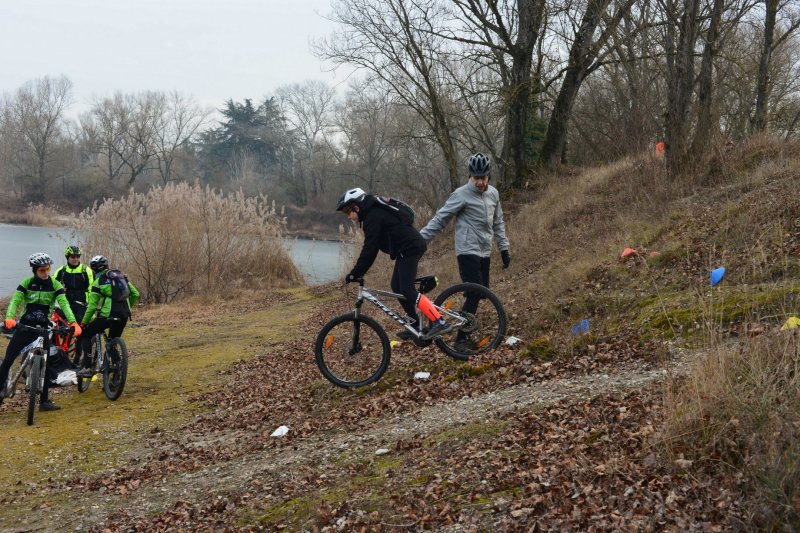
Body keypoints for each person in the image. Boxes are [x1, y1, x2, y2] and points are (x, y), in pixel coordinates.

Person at [419, 152, 510, 348]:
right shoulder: (461, 194)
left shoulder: (493, 193)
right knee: (474, 292)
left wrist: (504, 248)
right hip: (467, 250)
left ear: (488, 176)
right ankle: (461, 338)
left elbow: (498, 222)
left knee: (481, 293)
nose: (480, 182)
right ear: (470, 176)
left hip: (485, 250)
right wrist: (420, 239)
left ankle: (462, 327)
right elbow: (441, 218)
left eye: (483, 178)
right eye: (476, 178)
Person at [337, 187, 451, 340]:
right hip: (406, 249)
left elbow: (370, 249)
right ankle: (415, 325)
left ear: (356, 207)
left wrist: (355, 273)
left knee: (407, 289)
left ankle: (439, 321)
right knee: (397, 287)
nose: (348, 217)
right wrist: (357, 271)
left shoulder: (373, 216)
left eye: (347, 212)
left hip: (410, 248)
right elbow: (371, 248)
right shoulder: (372, 214)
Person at [0, 253, 82, 411]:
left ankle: (44, 401)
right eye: (42, 270)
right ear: (35, 270)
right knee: (9, 359)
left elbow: (64, 304)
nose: (46, 273)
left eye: (48, 269)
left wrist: (73, 322)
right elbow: (15, 300)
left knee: (46, 363)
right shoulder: (27, 283)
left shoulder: (55, 285)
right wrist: (9, 317)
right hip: (24, 327)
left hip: (44, 328)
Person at [78, 255, 140, 376]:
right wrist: (127, 308)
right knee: (112, 341)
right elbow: (135, 294)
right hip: (123, 316)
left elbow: (92, 307)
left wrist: (84, 323)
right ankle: (116, 372)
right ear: (107, 265)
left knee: (86, 334)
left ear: (94, 269)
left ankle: (88, 367)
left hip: (107, 316)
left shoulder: (98, 282)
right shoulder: (122, 277)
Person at [54, 245, 94, 361]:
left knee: (79, 331)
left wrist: (90, 304)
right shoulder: (61, 270)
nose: (75, 259)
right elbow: (52, 284)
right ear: (67, 257)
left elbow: (92, 288)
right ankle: (55, 352)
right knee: (55, 326)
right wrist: (60, 288)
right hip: (66, 303)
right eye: (72, 257)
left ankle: (77, 358)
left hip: (82, 304)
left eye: (77, 256)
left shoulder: (86, 270)